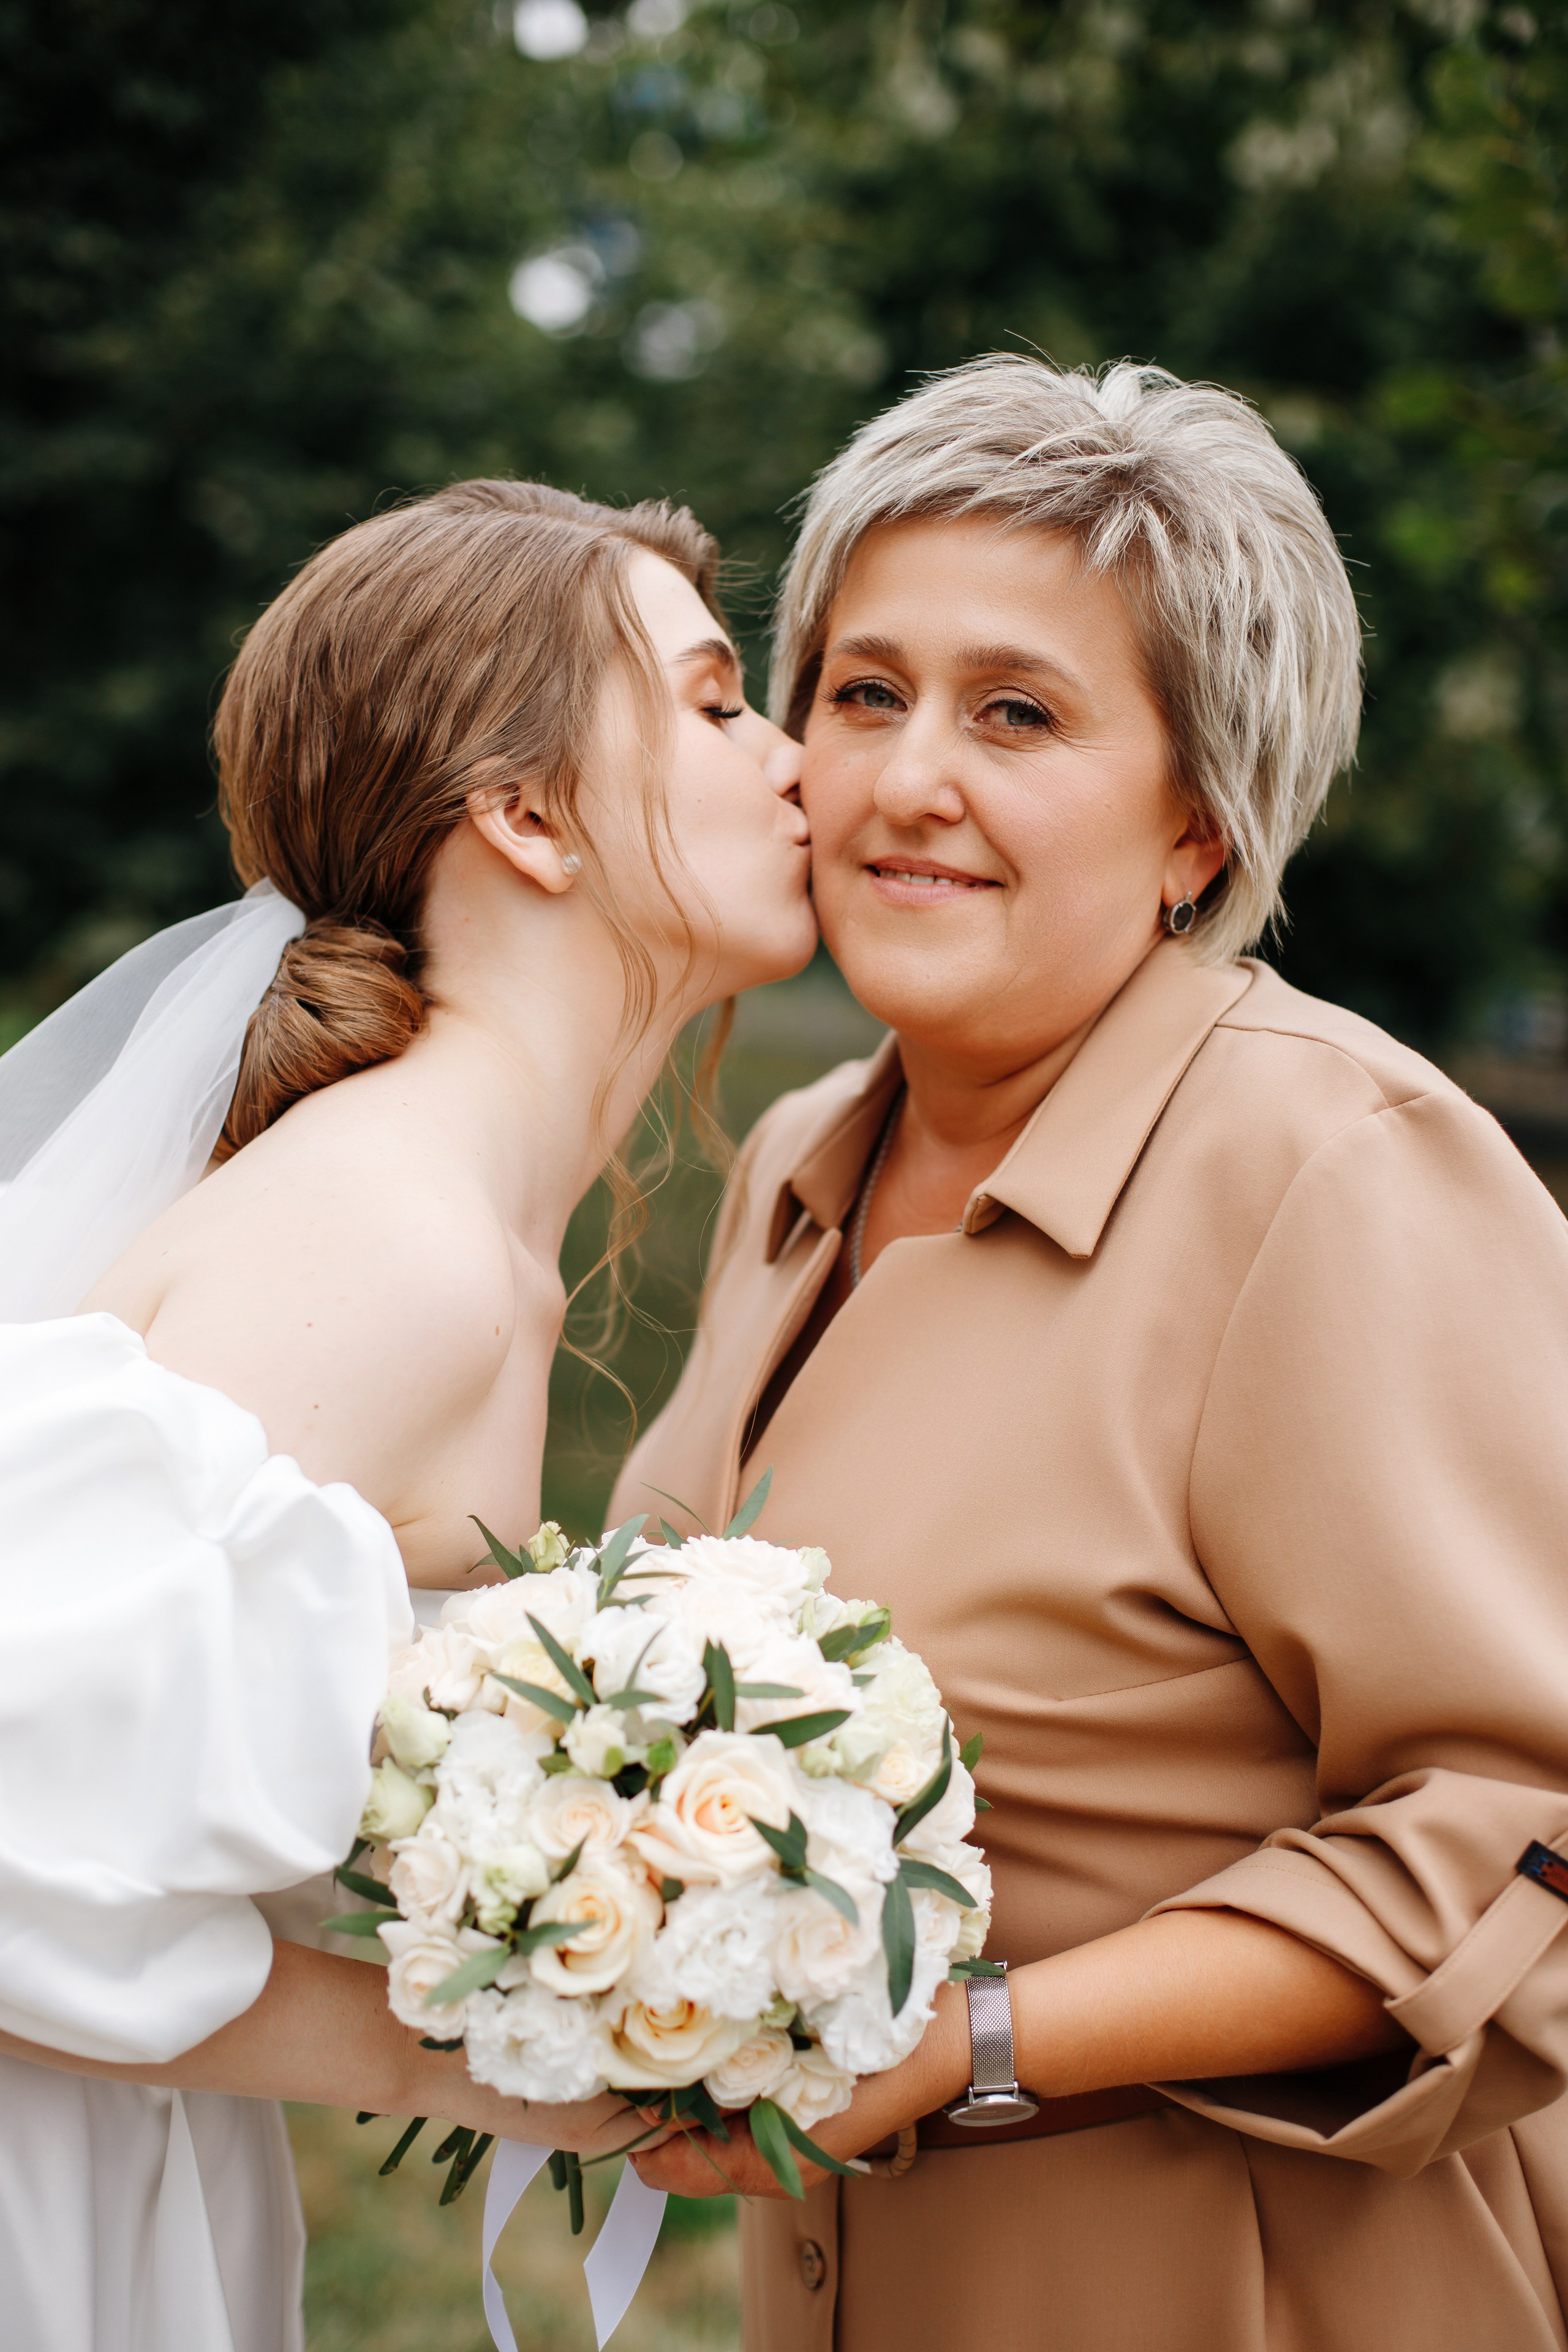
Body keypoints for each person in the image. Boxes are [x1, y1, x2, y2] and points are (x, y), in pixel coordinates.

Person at [617, 359, 1568, 2352]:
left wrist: (974, 2044)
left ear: (1198, 831)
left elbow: (1518, 1835)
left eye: (1018, 713)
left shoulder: (1334, 1174)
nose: (903, 781)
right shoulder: (799, 1156)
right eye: (863, 692)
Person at [0, 478, 815, 2352]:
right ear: (526, 816)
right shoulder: (391, 1243)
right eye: (712, 704)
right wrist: (558, 2067)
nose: (792, 760)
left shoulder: (465, 1236)